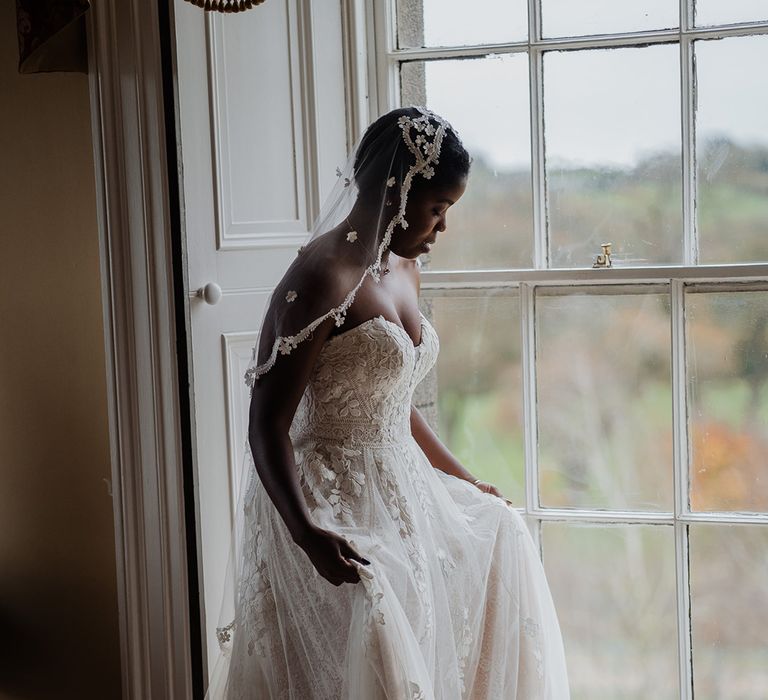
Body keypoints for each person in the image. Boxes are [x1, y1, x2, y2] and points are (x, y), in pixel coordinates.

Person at [205, 106, 570, 699]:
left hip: (402, 483)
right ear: (395, 190)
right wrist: (305, 533)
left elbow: (394, 402)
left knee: (501, 531)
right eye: (437, 209)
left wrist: (464, 477)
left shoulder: (405, 268)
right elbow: (266, 423)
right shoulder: (321, 276)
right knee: (375, 626)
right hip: (328, 493)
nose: (442, 227)